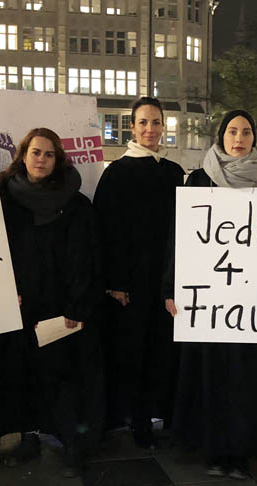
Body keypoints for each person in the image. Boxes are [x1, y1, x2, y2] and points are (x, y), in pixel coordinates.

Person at [165, 109, 257, 478]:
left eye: (246, 131)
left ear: (255, 137)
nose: (238, 138)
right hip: (210, 305)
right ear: (220, 136)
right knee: (212, 378)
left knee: (250, 380)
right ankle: (214, 449)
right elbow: (178, 240)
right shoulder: (198, 180)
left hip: (254, 304)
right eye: (232, 131)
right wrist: (171, 287)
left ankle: (241, 451)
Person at [0, 128, 104, 477]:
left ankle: (72, 442)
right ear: (23, 155)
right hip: (19, 305)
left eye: (48, 154)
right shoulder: (2, 198)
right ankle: (28, 438)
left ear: (58, 160)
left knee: (64, 377)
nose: (41, 159)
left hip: (62, 307)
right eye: (35, 152)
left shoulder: (76, 204)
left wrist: (78, 306)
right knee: (22, 373)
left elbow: (86, 259)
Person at [93, 97, 185, 450]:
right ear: (132, 127)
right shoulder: (116, 172)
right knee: (133, 351)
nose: (150, 129)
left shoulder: (174, 172)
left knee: (163, 349)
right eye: (143, 123)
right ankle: (137, 418)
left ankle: (162, 412)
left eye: (156, 122)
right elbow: (105, 230)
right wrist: (114, 282)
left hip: (166, 279)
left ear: (164, 126)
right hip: (130, 283)